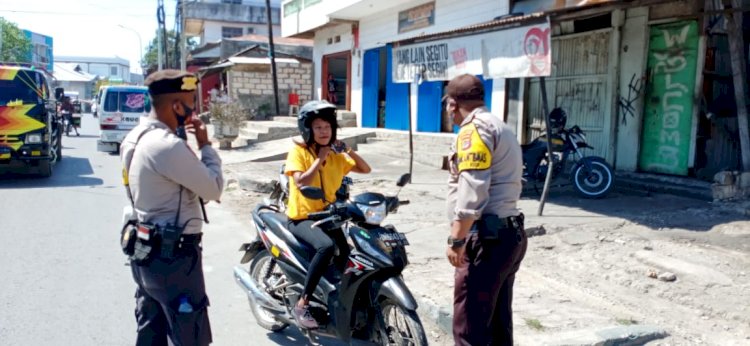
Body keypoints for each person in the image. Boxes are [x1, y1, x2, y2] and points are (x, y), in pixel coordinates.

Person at [120, 70, 224, 346]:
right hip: (174, 259)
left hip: (144, 251)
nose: (195, 109)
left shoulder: (135, 136)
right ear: (177, 106)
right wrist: (205, 145)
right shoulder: (166, 146)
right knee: (190, 336)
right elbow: (213, 188)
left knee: (151, 331)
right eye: (191, 102)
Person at [443, 74, 527, 346]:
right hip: (507, 235)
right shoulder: (498, 125)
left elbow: (472, 192)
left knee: (470, 330)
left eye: (447, 105)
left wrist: (457, 239)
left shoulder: (473, 131)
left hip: (486, 241)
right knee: (498, 325)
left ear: (452, 104)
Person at [284, 100, 371, 329]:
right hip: (302, 218)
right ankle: (302, 303)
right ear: (308, 130)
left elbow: (365, 169)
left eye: (328, 127)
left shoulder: (336, 155)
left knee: (349, 256)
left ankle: (343, 303)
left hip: (329, 217)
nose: (324, 132)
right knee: (326, 247)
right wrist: (320, 157)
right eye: (318, 127)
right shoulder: (299, 152)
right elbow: (301, 181)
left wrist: (347, 148)